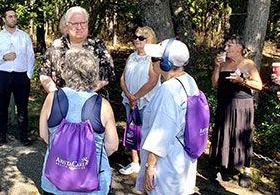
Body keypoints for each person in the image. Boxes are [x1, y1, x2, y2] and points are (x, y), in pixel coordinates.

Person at [39, 48, 119, 194]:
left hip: (55, 181)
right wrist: (87, 158)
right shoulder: (103, 105)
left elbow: (44, 135)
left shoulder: (52, 98)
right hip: (93, 184)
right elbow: (112, 146)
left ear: (66, 71)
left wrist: (66, 152)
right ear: (93, 72)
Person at [135, 38, 199, 194]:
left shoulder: (168, 90)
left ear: (166, 64)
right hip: (183, 162)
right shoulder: (189, 81)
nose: (151, 62)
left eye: (154, 59)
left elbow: (161, 133)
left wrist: (150, 168)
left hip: (166, 167)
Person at [210, 35, 262, 187]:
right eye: (225, 46)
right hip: (224, 104)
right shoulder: (224, 63)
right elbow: (214, 83)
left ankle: (246, 169)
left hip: (241, 105)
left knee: (241, 134)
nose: (226, 48)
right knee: (225, 133)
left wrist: (242, 81)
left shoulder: (247, 63)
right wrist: (217, 67)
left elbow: (259, 85)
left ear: (239, 48)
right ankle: (224, 165)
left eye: (229, 45)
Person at [0, 7, 35, 146]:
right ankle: (1, 136)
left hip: (21, 76)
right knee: (2, 107)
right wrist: (3, 57)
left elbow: (31, 57)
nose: (13, 19)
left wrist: (29, 75)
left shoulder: (24, 36)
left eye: (14, 16)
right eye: (10, 16)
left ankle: (23, 136)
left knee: (23, 108)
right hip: (3, 76)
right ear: (4, 19)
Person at [39, 6, 115, 93]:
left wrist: (82, 96)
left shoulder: (98, 45)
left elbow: (106, 76)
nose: (79, 27)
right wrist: (57, 96)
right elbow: (44, 74)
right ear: (67, 26)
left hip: (92, 102)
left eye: (83, 23)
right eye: (75, 24)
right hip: (62, 102)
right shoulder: (56, 46)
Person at [119, 26, 160, 175]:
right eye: (135, 37)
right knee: (132, 130)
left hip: (146, 101)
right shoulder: (131, 56)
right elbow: (122, 77)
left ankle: (147, 164)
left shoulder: (153, 58)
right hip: (130, 100)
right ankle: (135, 162)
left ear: (149, 41)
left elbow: (153, 81)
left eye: (141, 38)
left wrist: (136, 96)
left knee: (147, 132)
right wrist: (129, 95)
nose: (137, 40)